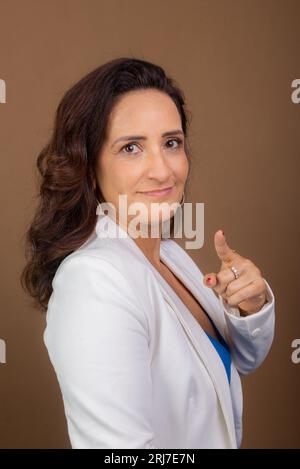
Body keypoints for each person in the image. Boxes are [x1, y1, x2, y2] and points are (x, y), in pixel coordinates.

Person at [21, 57, 275, 449]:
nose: (162, 170)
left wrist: (249, 307)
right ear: (88, 167)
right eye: (131, 148)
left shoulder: (168, 254)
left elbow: (237, 363)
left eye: (171, 143)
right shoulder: (95, 282)